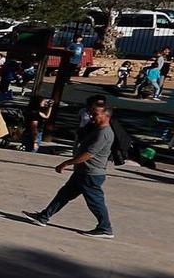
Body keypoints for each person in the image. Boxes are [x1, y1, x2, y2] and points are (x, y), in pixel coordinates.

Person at [23, 96, 115, 238]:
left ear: (106, 116)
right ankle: (43, 217)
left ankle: (105, 228)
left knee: (95, 202)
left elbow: (88, 154)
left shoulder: (104, 133)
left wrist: (66, 163)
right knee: (64, 195)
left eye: (95, 114)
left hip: (91, 174)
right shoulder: (96, 129)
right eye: (91, 113)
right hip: (82, 172)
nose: (91, 116)